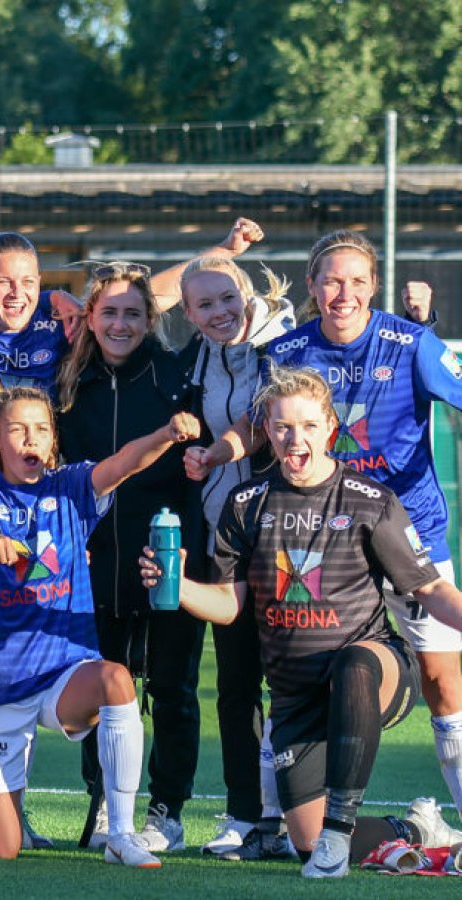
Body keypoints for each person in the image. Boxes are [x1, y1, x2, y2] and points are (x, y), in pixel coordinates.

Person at [141, 365, 462, 878]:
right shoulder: (246, 506)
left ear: (330, 428)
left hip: (376, 671)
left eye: (309, 426)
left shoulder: (370, 500)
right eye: (283, 426)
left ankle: (339, 829)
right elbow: (229, 604)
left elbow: (430, 589)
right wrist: (177, 584)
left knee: (353, 664)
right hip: (294, 697)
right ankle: (414, 829)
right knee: (304, 842)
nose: (296, 437)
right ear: (266, 430)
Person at [195, 229, 462, 838]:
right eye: (331, 281)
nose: (344, 293)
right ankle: (272, 820)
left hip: (407, 531)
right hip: (316, 537)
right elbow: (258, 422)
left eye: (357, 281)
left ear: (373, 286)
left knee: (445, 681)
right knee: (293, 668)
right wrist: (217, 454)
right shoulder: (288, 350)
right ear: (312, 286)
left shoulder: (411, 344)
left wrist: (433, 327)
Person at [0, 386, 198, 867]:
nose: (32, 438)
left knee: (115, 679)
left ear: (52, 440)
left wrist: (167, 435)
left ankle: (121, 834)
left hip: (64, 676)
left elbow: (125, 462)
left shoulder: (71, 486)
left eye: (41, 429)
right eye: (18, 428)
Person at [56, 261, 205, 852]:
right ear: (90, 318)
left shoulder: (177, 379)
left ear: (152, 318)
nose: (120, 324)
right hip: (92, 567)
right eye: (109, 312)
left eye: (133, 314)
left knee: (172, 689)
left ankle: (166, 809)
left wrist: (184, 557)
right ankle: (101, 801)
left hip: (165, 558)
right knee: (101, 688)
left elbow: (196, 474)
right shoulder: (67, 386)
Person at [173, 251, 295, 858]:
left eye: (229, 297)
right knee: (237, 683)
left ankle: (301, 813)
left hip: (292, 540)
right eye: (205, 303)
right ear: (190, 314)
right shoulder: (196, 357)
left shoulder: (285, 347)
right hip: (226, 538)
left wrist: (216, 453)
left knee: (296, 678)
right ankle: (247, 814)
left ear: (250, 295)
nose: (221, 311)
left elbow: (260, 422)